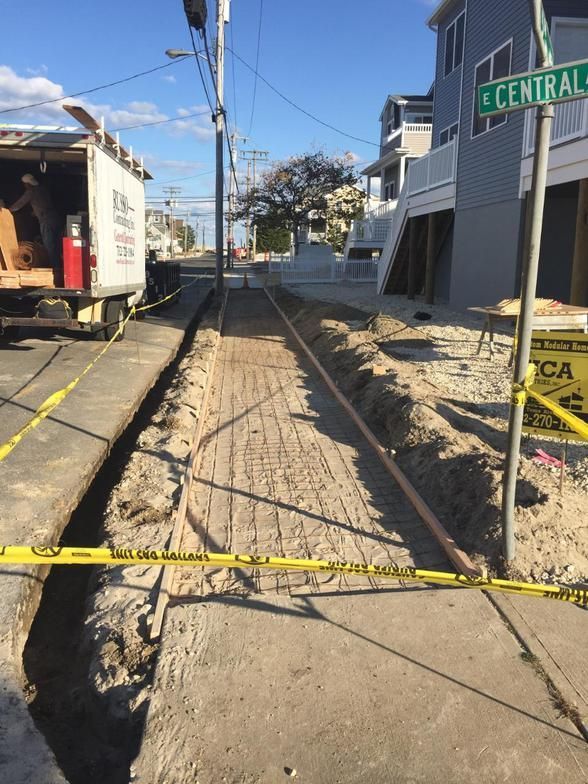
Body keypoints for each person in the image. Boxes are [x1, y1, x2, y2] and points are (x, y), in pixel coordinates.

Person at [8, 174, 62, 267]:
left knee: (49, 245)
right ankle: (59, 266)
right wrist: (35, 212)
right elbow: (43, 204)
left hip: (46, 220)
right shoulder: (42, 189)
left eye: (25, 184)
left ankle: (54, 267)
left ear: (28, 184)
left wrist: (7, 210)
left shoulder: (31, 191)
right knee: (57, 243)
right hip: (54, 218)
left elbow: (19, 204)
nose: (24, 186)